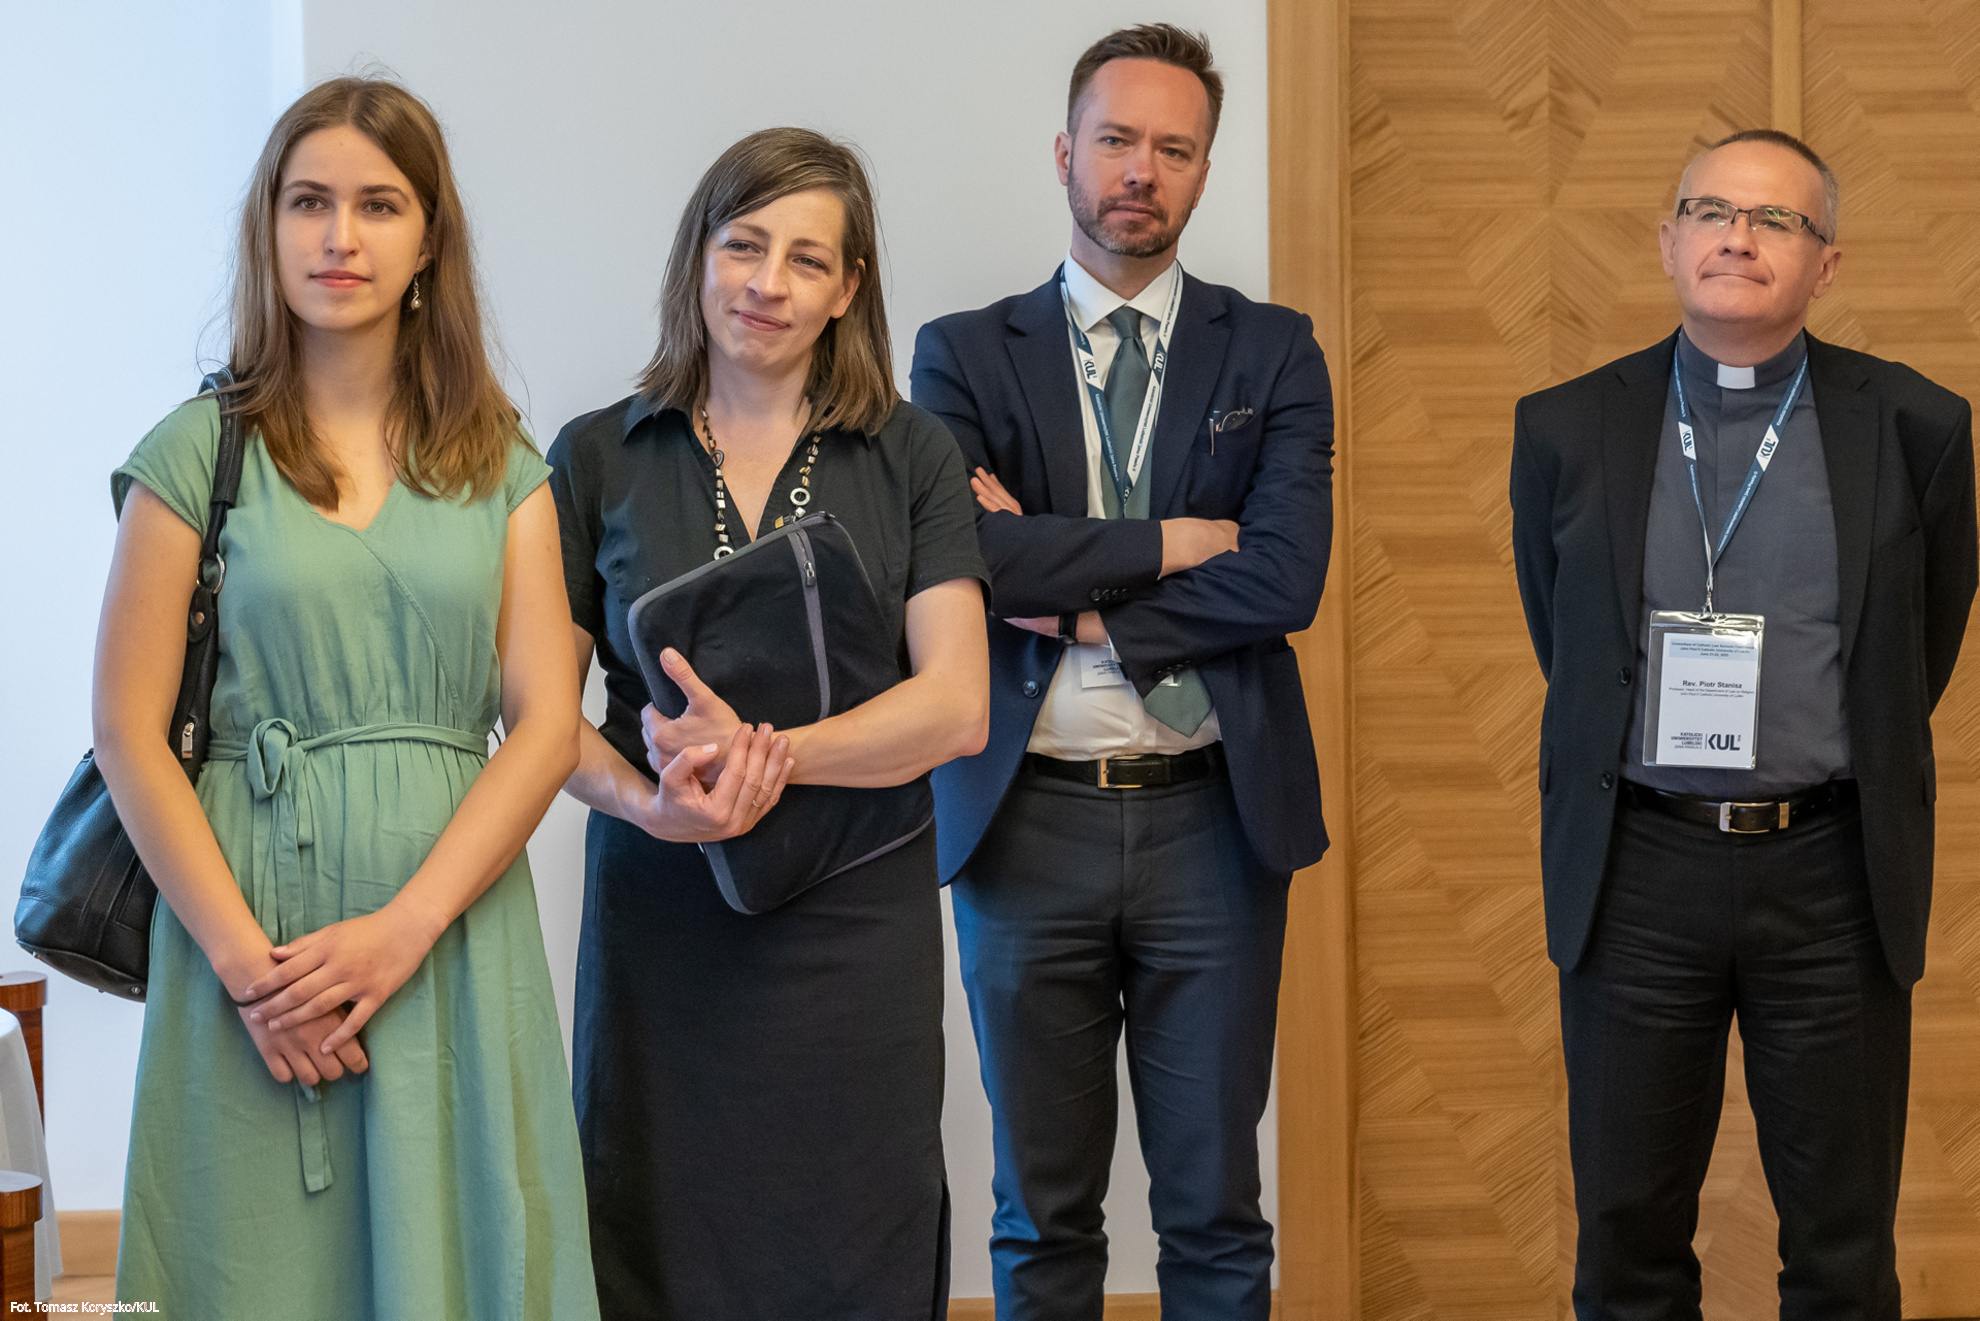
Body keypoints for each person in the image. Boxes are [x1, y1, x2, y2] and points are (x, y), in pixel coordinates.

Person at [95, 77, 599, 1317]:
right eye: (308, 201)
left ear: (429, 241)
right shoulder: (193, 453)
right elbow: (128, 733)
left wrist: (406, 927)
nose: (339, 235)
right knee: (253, 1266)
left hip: (451, 933)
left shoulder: (504, 464)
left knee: (464, 1254)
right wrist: (251, 976)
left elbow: (545, 727)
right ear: (268, 228)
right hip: (251, 941)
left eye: (378, 204)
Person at [1510, 129, 1978, 1318]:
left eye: (1777, 219)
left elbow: (1916, 651)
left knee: (1842, 1249)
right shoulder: (1566, 426)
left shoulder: (1918, 424)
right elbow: (1569, 642)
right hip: (1638, 870)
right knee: (1627, 1243)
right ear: (1668, 242)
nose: (1738, 237)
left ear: (1827, 264)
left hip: (1832, 877)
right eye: (1712, 211)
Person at [911, 25, 1334, 1320]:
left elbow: (1285, 580)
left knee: (1215, 1210)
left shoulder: (1273, 350)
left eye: (1174, 147)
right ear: (1065, 153)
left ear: (1203, 169)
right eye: (1116, 139)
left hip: (1214, 821)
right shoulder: (963, 351)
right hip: (1024, 823)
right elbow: (969, 557)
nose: (1140, 169)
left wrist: (1084, 613)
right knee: (1041, 1213)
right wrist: (1171, 544)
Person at [547, 127, 990, 1321]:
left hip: (854, 923)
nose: (768, 282)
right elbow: (538, 715)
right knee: (654, 1230)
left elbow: (957, 703)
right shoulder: (596, 455)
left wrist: (767, 760)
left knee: (857, 1230)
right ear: (698, 254)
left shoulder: (912, 453)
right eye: (744, 244)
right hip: (661, 918)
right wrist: (651, 802)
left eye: (808, 259)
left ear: (849, 289)